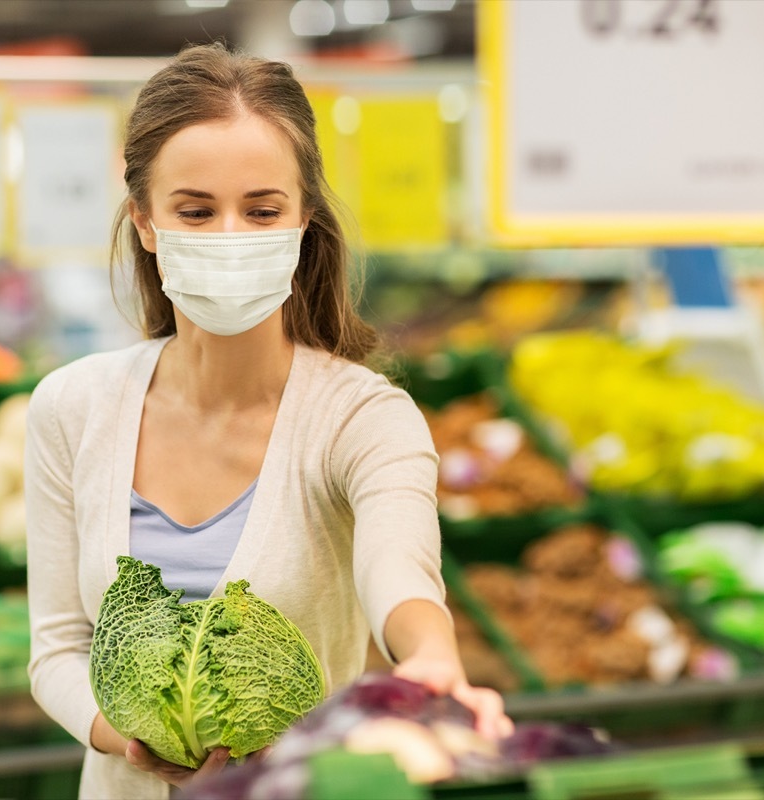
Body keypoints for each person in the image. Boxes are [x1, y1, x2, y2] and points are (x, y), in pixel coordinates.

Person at [25, 41, 511, 800]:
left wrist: (430, 660)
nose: (230, 236)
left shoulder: (364, 419)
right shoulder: (71, 408)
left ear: (303, 219)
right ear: (145, 222)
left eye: (261, 210)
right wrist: (125, 736)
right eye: (195, 210)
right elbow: (56, 649)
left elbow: (401, 573)